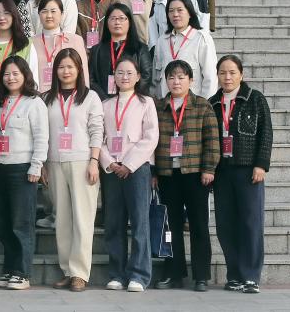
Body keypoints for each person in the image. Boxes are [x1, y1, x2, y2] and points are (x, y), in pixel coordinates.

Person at [153, 60, 220, 292]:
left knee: (199, 225)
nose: (176, 82)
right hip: (167, 174)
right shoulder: (159, 107)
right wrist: (154, 172)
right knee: (170, 227)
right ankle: (173, 273)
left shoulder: (202, 106)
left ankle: (201, 276)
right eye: (171, 77)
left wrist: (209, 168)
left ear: (191, 80)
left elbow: (212, 140)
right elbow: (152, 141)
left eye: (181, 77)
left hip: (195, 174)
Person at [209, 55, 272, 295]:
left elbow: (266, 133)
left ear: (241, 74)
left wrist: (261, 165)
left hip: (248, 171)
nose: (227, 77)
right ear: (217, 75)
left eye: (232, 72)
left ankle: (251, 276)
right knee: (226, 225)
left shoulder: (255, 99)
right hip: (222, 172)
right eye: (223, 73)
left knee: (250, 223)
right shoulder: (212, 103)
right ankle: (234, 275)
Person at [43, 48, 103, 293]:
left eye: (70, 66)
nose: (65, 71)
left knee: (82, 218)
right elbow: (43, 134)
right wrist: (44, 164)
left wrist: (94, 160)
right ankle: (67, 271)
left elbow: (97, 130)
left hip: (82, 162)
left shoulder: (90, 97)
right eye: (61, 67)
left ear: (79, 69)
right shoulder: (47, 98)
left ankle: (80, 273)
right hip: (55, 162)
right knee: (62, 220)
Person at [100, 55, 159, 293]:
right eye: (119, 72)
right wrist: (110, 162)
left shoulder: (146, 103)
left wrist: (129, 164)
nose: (124, 77)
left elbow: (151, 137)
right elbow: (98, 137)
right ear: (113, 77)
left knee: (139, 222)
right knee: (113, 222)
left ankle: (139, 275)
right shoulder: (105, 104)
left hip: (137, 169)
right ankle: (117, 273)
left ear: (138, 77)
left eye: (129, 73)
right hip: (112, 170)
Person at [0, 55, 48, 291]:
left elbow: (42, 136)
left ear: (25, 75)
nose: (11, 78)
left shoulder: (34, 103)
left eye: (15, 73)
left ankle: (22, 273)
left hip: (23, 169)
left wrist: (37, 165)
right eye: (6, 74)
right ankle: (9, 269)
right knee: (4, 222)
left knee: (21, 223)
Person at [152, 0, 218, 99]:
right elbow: (155, 78)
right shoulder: (162, 41)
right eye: (171, 11)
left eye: (180, 10)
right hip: (166, 105)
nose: (175, 14)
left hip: (193, 106)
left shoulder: (201, 39)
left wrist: (204, 105)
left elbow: (210, 78)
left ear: (190, 13)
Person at [87, 3, 153, 101]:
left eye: (121, 18)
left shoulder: (140, 49)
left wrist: (128, 97)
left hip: (132, 102)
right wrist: (105, 100)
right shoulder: (96, 50)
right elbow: (91, 79)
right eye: (113, 18)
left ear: (129, 22)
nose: (117, 22)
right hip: (102, 102)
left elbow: (146, 77)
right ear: (107, 23)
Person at [31, 0, 90, 91]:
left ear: (62, 14)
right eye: (44, 11)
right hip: (38, 95)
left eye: (53, 11)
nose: (49, 15)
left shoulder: (75, 40)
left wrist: (84, 94)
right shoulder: (30, 42)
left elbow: (83, 73)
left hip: (69, 95)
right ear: (39, 14)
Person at [0, 0, 37, 85]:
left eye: (6, 13)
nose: (2, 17)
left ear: (13, 16)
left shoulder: (26, 43)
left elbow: (33, 77)